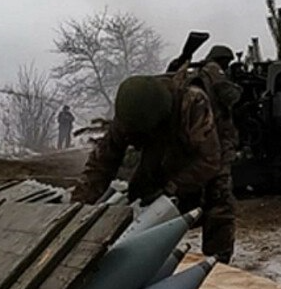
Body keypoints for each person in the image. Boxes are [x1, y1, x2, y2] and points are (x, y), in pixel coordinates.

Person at [72, 73, 236, 263]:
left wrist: (170, 189)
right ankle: (137, 259)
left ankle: (218, 262)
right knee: (141, 194)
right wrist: (77, 208)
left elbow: (209, 160)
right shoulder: (128, 116)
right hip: (163, 145)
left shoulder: (192, 103)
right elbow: (101, 164)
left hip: (209, 146)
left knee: (218, 197)